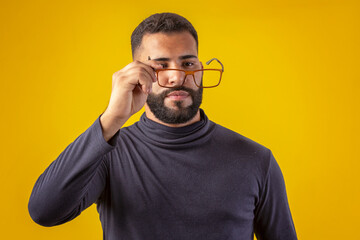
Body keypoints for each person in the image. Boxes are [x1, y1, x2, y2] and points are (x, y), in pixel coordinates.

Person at [28, 12, 297, 240]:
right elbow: (43, 212)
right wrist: (111, 119)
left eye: (188, 63)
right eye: (160, 65)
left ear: (201, 69)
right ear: (135, 73)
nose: (177, 77)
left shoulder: (257, 160)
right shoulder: (109, 154)